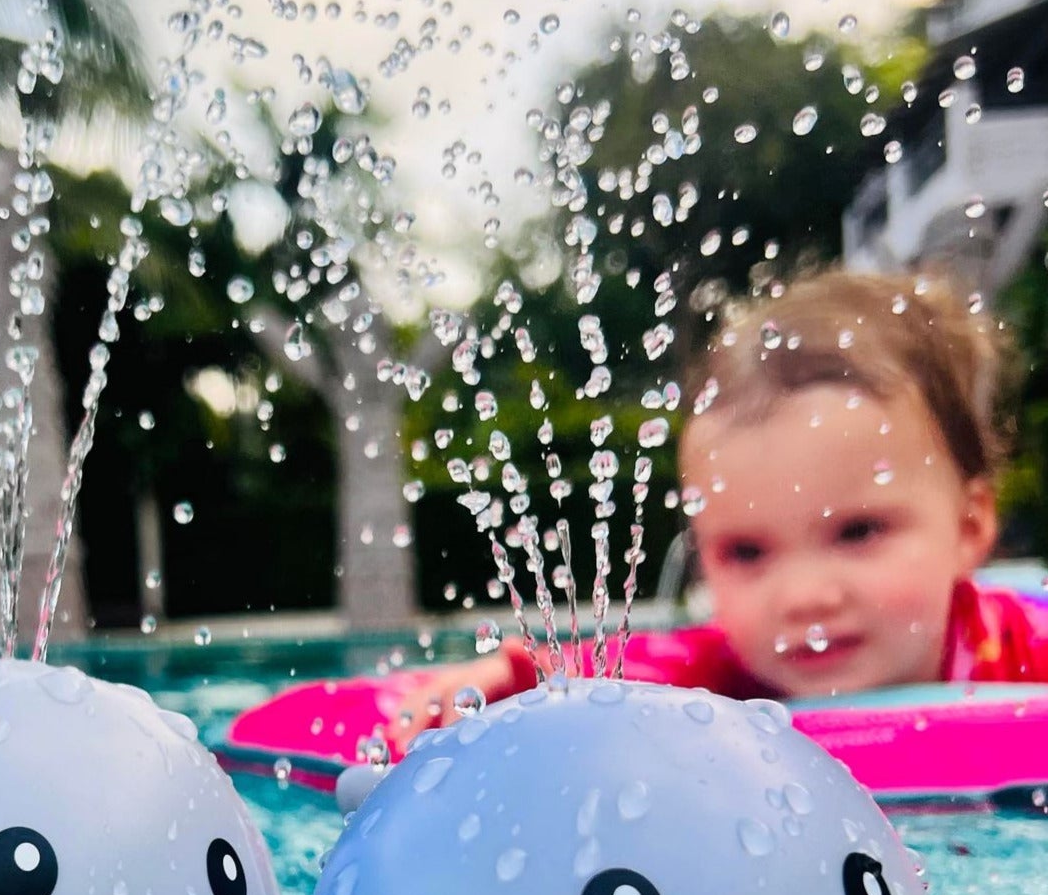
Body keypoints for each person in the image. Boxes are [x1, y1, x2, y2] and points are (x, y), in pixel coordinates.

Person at [386, 267, 1048, 753]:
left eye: (857, 531)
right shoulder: (723, 680)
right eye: (746, 552)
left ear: (967, 528)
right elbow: (624, 672)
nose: (802, 596)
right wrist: (511, 677)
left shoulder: (1019, 653)